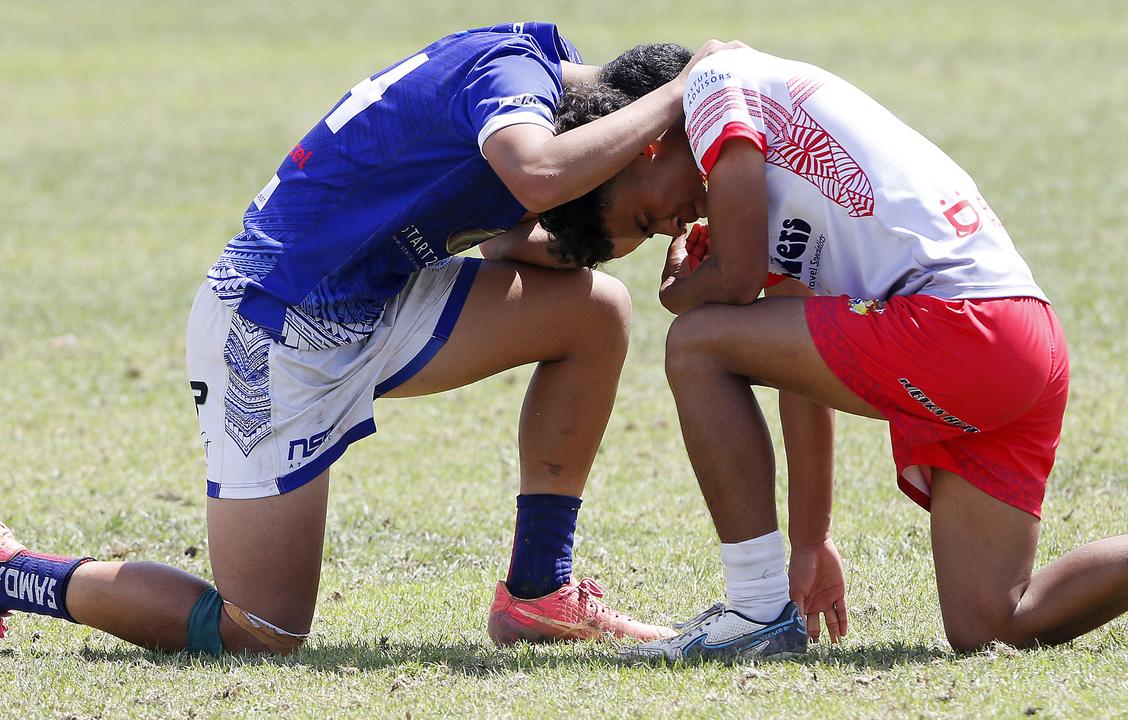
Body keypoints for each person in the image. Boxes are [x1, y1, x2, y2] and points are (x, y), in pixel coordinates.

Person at [0, 24, 738, 655]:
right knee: (261, 631)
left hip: (377, 302)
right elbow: (536, 173)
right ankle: (12, 571)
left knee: (595, 311)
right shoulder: (513, 75)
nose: (687, 214)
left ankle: (538, 591)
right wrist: (681, 93)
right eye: (690, 189)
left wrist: (637, 257)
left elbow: (511, 246)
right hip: (269, 329)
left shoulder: (542, 98)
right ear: (650, 138)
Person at [539, 46, 1128, 661]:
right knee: (991, 624)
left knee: (693, 342)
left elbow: (728, 289)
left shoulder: (709, 83)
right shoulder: (758, 163)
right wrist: (810, 540)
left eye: (647, 211)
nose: (673, 223)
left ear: (646, 142)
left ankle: (754, 613)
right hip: (1021, 340)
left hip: (966, 328)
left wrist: (680, 295)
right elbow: (794, 355)